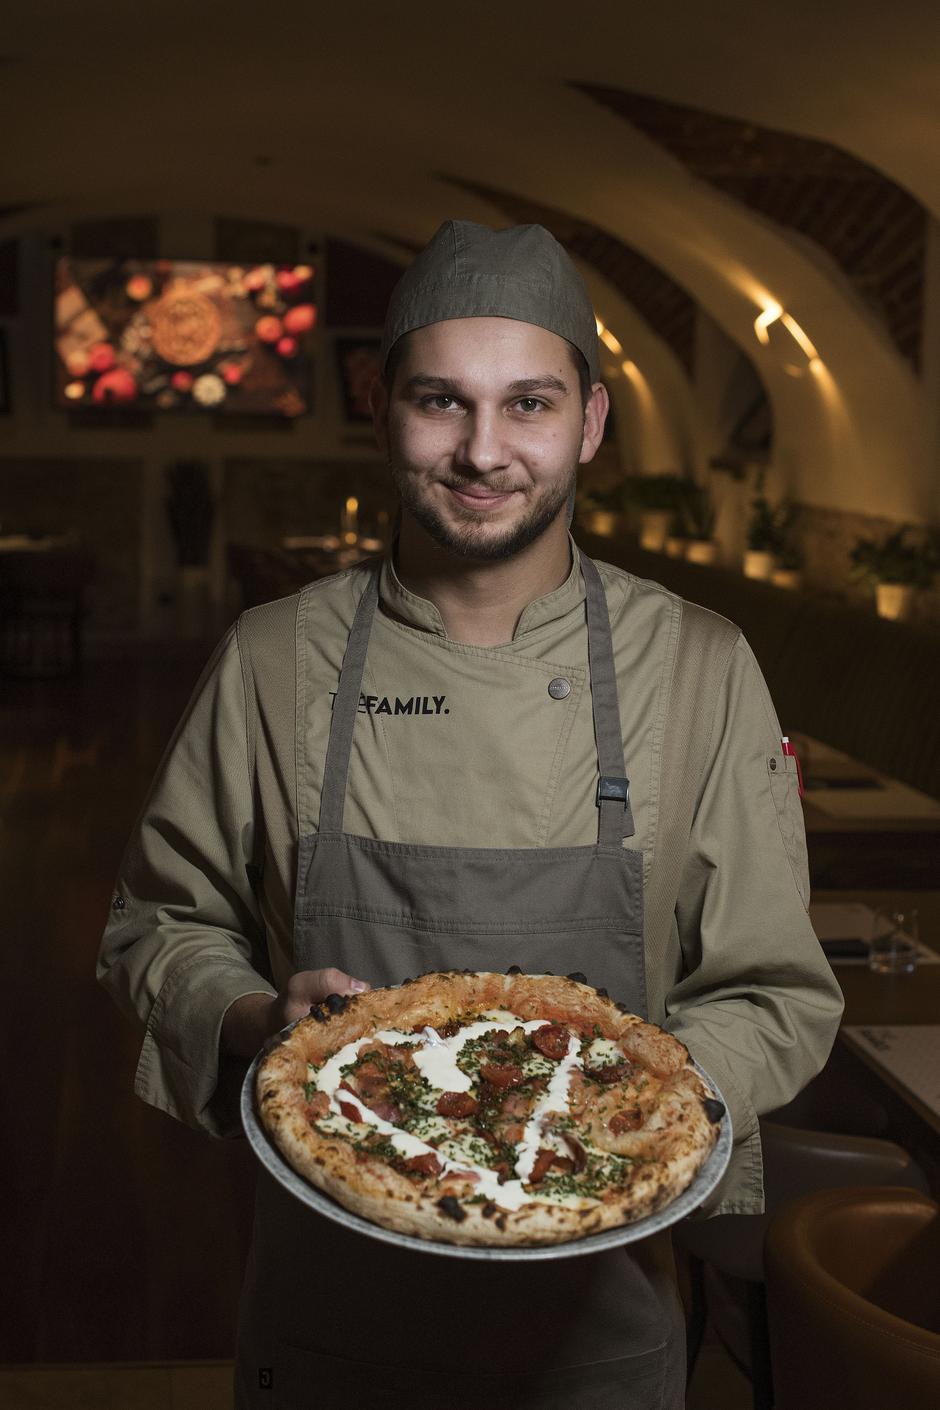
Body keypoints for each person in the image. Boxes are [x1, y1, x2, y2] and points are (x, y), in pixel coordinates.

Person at [99, 220, 844, 1409]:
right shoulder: (275, 656)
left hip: (598, 1330)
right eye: (440, 402)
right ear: (382, 406)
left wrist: (623, 1097)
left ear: (591, 422)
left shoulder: (700, 667)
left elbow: (773, 991)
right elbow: (156, 927)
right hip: (328, 1321)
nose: (482, 451)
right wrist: (254, 1015)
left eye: (529, 405)